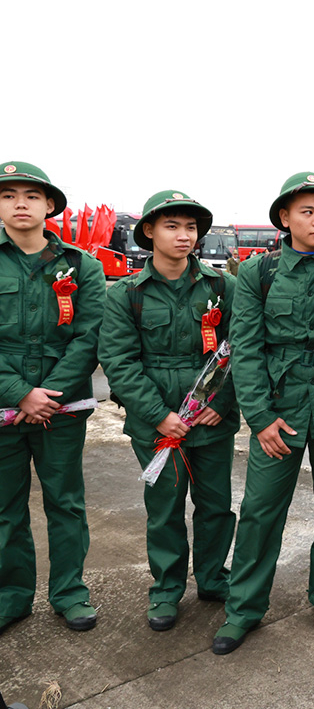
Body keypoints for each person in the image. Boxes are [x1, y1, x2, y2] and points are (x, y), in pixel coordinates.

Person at [211, 171, 314, 655]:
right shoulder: (259, 272)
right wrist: (259, 416)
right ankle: (244, 608)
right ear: (284, 218)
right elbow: (247, 349)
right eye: (307, 211)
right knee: (259, 510)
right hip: (281, 404)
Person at [99, 190, 239, 631]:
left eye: (191, 228)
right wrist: (158, 415)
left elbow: (245, 350)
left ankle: (214, 577)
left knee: (216, 505)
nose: (184, 236)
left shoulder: (222, 287)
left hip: (211, 422)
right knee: (164, 507)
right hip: (156, 425)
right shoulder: (127, 293)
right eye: (172, 226)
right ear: (149, 233)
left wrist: (222, 402)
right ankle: (165, 589)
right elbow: (120, 361)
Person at [0, 162, 104, 634]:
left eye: (30, 195)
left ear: (50, 206)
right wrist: (21, 393)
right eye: (8, 195)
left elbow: (89, 337)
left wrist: (49, 396)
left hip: (61, 408)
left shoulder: (83, 265)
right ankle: (11, 596)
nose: (20, 203)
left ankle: (69, 592)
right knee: (5, 506)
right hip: (3, 403)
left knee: (65, 501)